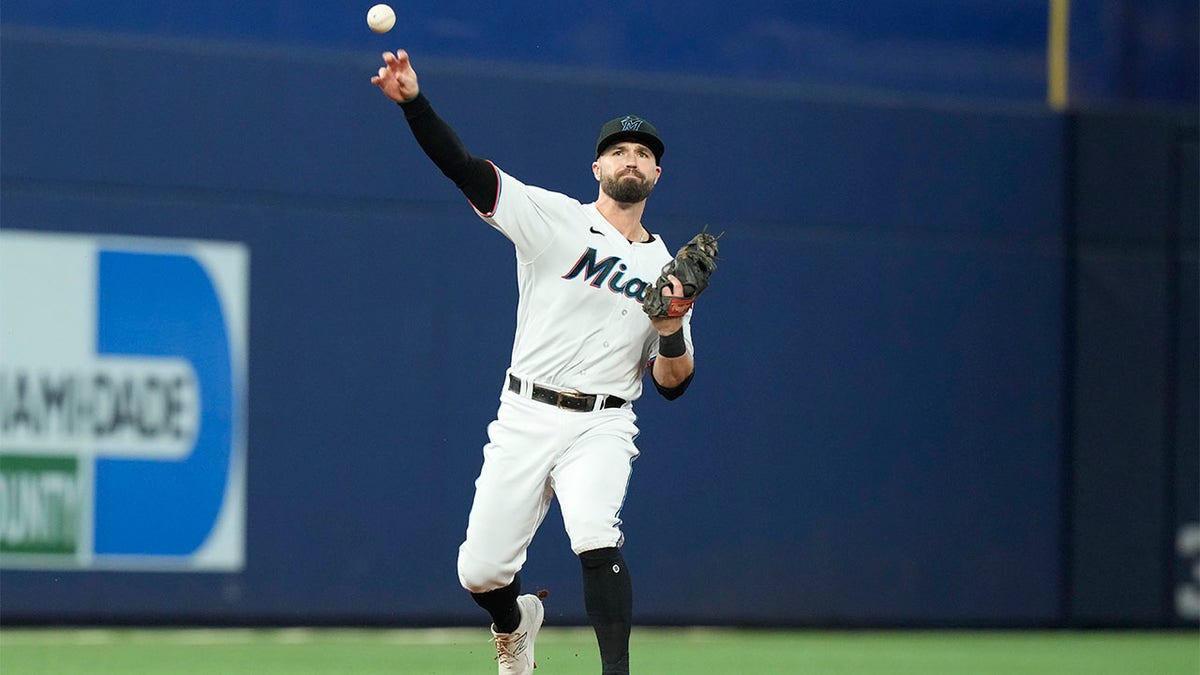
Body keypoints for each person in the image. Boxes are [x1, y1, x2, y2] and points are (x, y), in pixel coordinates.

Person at [372, 49, 701, 675]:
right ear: (597, 167)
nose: (631, 159)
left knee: (594, 532)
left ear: (656, 174)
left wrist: (673, 327)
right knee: (479, 570)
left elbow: (673, 384)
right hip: (526, 410)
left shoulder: (670, 271)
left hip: (603, 421)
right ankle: (514, 621)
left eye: (644, 153)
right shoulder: (556, 221)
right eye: (619, 151)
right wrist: (415, 103)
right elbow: (465, 170)